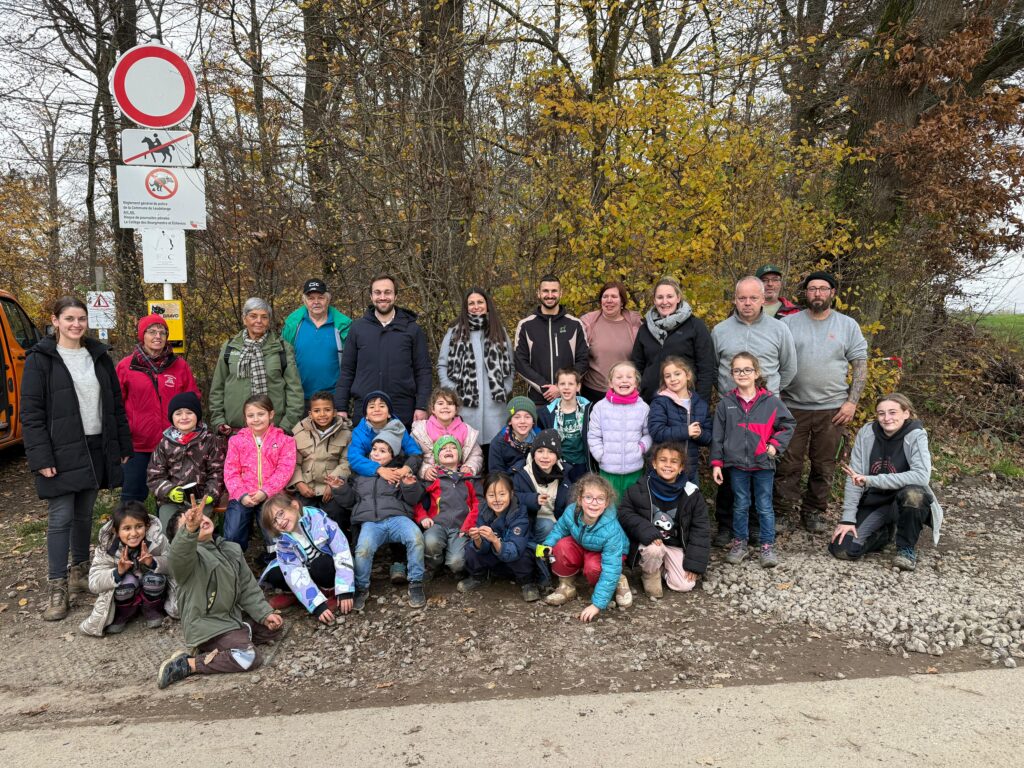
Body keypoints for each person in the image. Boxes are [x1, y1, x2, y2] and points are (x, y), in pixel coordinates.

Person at [20, 296, 133, 621]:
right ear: (55, 321)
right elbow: (31, 414)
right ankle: (57, 586)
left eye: (81, 319)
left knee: (84, 514)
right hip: (60, 449)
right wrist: (40, 456)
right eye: (69, 318)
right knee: (61, 517)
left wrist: (121, 445)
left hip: (96, 445)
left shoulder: (98, 356)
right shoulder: (40, 359)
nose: (76, 324)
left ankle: (80, 572)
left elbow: (115, 405)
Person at [157, 497, 283, 689]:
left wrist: (265, 614)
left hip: (231, 617)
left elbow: (247, 587)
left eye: (201, 517)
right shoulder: (187, 560)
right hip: (208, 625)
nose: (200, 521)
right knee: (250, 657)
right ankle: (189, 664)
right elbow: (178, 555)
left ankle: (235, 637)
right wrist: (189, 530)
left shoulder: (230, 548)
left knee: (274, 628)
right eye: (192, 522)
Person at [777, 271, 868, 533]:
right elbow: (774, 360)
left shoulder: (847, 325)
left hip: (832, 409)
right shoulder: (788, 324)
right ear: (805, 293)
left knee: (824, 464)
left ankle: (814, 512)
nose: (817, 293)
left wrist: (851, 402)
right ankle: (783, 513)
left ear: (832, 293)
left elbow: (860, 364)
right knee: (787, 464)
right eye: (812, 288)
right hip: (792, 407)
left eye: (823, 288)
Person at [710, 276, 797, 547]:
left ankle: (758, 527)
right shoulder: (721, 330)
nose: (747, 303)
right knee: (731, 470)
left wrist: (769, 395)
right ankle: (727, 526)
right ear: (735, 300)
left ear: (763, 299)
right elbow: (713, 368)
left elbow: (789, 368)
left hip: (764, 411)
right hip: (731, 408)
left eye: (753, 298)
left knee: (761, 470)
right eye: (742, 298)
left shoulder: (779, 330)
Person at [829, 394, 944, 571]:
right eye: (881, 413)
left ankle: (906, 549)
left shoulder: (916, 434)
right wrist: (848, 519)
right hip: (876, 502)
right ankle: (884, 534)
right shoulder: (867, 433)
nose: (886, 418)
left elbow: (921, 476)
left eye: (892, 412)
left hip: (904, 502)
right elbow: (854, 478)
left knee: (914, 495)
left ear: (906, 413)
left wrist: (870, 480)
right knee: (842, 549)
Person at [711, 352, 795, 569]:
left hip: (763, 463)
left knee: (764, 505)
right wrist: (717, 463)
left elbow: (788, 425)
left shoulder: (771, 402)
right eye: (737, 370)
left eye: (747, 369)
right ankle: (740, 543)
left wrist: (774, 445)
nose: (742, 374)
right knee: (740, 504)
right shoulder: (726, 404)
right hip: (736, 464)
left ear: (756, 373)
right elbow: (717, 436)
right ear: (732, 374)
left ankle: (767, 546)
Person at [115, 313, 200, 503]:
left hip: (173, 444)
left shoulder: (179, 366)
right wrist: (121, 439)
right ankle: (131, 523)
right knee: (132, 499)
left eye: (162, 332)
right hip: (137, 445)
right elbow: (115, 406)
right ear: (142, 335)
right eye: (152, 331)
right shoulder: (126, 366)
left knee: (174, 498)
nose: (158, 336)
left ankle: (168, 522)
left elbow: (193, 399)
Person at [335, 274, 432, 428]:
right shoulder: (358, 329)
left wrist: (421, 406)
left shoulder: (412, 329)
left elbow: (423, 371)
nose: (382, 297)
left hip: (402, 410)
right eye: (377, 292)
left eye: (387, 292)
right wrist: (341, 407)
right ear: (371, 296)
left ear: (396, 296)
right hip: (365, 409)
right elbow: (347, 371)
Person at [618, 443, 711, 598]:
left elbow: (700, 528)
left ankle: (662, 569)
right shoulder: (640, 488)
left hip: (675, 545)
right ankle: (649, 574)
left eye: (674, 461)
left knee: (685, 585)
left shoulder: (692, 493)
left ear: (681, 467)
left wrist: (694, 564)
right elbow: (625, 513)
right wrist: (647, 531)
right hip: (651, 544)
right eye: (663, 460)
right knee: (654, 550)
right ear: (654, 463)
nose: (668, 465)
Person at [350, 432, 427, 610]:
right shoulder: (360, 475)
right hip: (371, 522)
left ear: (392, 456)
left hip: (397, 518)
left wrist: (410, 485)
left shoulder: (398, 472)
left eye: (383, 451)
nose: (376, 453)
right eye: (374, 449)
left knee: (416, 538)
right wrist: (339, 489)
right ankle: (361, 587)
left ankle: (416, 583)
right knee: (363, 549)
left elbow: (413, 499)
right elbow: (349, 501)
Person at [539, 474, 632, 621]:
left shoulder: (611, 530)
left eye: (600, 498)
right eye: (588, 497)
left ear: (607, 503)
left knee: (594, 567)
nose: (594, 503)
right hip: (584, 544)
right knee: (561, 546)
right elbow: (559, 529)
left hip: (609, 555)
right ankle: (566, 586)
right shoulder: (571, 512)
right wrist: (548, 544)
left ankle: (618, 579)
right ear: (579, 499)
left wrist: (597, 605)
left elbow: (610, 566)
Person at [79, 501, 177, 636]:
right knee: (126, 582)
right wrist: (118, 572)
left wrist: (153, 562)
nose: (134, 533)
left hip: (151, 588)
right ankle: (125, 613)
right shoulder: (107, 548)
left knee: (154, 579)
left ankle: (151, 609)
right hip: (127, 590)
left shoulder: (158, 540)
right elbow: (94, 583)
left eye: (139, 526)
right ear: (116, 531)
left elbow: (174, 565)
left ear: (147, 526)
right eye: (127, 528)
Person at [437, 288, 515, 457]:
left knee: (494, 460)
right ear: (465, 307)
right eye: (471, 303)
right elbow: (442, 365)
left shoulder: (499, 331)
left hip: (495, 410)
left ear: (487, 305)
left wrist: (506, 388)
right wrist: (452, 390)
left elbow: (510, 365)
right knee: (468, 460)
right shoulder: (454, 333)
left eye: (480, 302)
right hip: (465, 410)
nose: (476, 306)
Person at [209, 297, 304, 434]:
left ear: (269, 321)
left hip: (275, 430)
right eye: (253, 316)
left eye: (264, 317)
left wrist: (286, 426)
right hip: (235, 431)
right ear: (244, 319)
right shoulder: (230, 347)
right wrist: (219, 422)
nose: (259, 321)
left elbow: (294, 391)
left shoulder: (282, 348)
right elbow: (217, 388)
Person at [222, 395, 297, 561]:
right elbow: (230, 471)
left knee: (276, 532)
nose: (256, 419)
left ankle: (276, 561)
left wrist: (265, 491)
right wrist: (241, 494)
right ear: (245, 418)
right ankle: (234, 563)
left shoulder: (285, 441)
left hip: (272, 494)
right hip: (242, 495)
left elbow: (285, 470)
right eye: (251, 415)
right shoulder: (236, 441)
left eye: (261, 414)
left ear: (271, 414)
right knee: (233, 530)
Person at [259, 494, 355, 621]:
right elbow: (294, 573)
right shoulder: (283, 541)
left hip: (326, 567)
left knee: (321, 565)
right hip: (306, 570)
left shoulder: (318, 519)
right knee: (275, 573)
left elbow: (341, 551)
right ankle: (295, 594)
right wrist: (317, 606)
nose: (280, 522)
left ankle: (331, 591)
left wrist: (345, 590)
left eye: (281, 514)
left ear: (294, 506)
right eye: (274, 522)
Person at [147, 391, 225, 529]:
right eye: (178, 414)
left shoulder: (210, 440)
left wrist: (211, 494)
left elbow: (217, 471)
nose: (184, 417)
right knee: (170, 530)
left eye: (189, 413)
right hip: (171, 501)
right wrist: (169, 491)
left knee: (196, 528)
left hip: (202, 499)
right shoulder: (165, 443)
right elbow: (154, 475)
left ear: (197, 415)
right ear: (172, 417)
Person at [631, 277, 716, 402]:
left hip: (685, 401)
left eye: (669, 296)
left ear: (678, 298)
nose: (665, 302)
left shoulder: (695, 326)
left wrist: (701, 403)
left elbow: (706, 368)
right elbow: (636, 366)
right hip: (650, 401)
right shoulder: (645, 328)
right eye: (660, 297)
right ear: (654, 300)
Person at [459, 473, 539, 601]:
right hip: (495, 560)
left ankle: (527, 582)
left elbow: (515, 549)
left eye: (502, 494)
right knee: (471, 548)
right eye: (491, 495)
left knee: (524, 554)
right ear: (485, 496)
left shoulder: (520, 513)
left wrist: (495, 540)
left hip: (514, 557)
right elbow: (482, 548)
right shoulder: (483, 510)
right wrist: (478, 539)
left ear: (511, 494)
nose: (497, 499)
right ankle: (479, 577)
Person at [513, 274, 589, 406]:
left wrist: (561, 387)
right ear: (538, 293)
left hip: (569, 399)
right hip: (538, 400)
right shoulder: (526, 325)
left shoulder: (575, 324)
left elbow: (584, 360)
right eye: (545, 291)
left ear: (561, 293)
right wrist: (545, 387)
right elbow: (520, 363)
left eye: (554, 291)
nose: (550, 295)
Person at [414, 436, 480, 578]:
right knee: (430, 543)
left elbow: (477, 504)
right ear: (437, 457)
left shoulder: (468, 478)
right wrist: (423, 517)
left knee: (457, 563)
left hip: (461, 528)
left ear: (460, 456)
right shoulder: (433, 477)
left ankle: (454, 568)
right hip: (437, 524)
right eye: (443, 449)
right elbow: (416, 500)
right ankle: (434, 565)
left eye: (453, 447)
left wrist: (468, 526)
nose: (448, 450)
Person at [289, 390, 353, 534]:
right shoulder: (299, 433)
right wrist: (299, 484)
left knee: (337, 514)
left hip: (331, 488)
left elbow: (346, 462)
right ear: (310, 414)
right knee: (300, 515)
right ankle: (307, 545)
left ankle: (338, 544)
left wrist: (333, 483)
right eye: (317, 411)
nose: (322, 414)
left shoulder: (346, 434)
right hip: (306, 487)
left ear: (335, 412)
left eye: (327, 410)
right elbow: (293, 462)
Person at [281, 279, 352, 406]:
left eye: (321, 297)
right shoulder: (293, 325)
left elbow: (351, 364)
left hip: (333, 398)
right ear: (304, 301)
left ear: (328, 299)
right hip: (299, 398)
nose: (316, 302)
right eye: (311, 298)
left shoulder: (343, 326)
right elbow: (283, 360)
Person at [587, 361, 652, 499]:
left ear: (636, 383)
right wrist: (600, 455)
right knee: (610, 505)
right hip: (608, 471)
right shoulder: (600, 407)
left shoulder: (643, 408)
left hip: (634, 469)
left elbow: (648, 434)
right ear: (610, 383)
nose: (624, 380)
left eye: (629, 377)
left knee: (632, 505)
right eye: (619, 377)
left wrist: (641, 448)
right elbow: (593, 435)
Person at [647, 356, 712, 484]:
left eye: (677, 374)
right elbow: (656, 432)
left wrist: (700, 434)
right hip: (664, 470)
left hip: (689, 471)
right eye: (668, 376)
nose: (673, 379)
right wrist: (686, 431)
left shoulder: (701, 405)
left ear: (688, 375)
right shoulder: (660, 402)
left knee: (690, 497)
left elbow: (709, 437)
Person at [579, 281, 642, 402]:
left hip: (625, 390)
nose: (609, 300)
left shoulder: (634, 324)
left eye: (614, 296)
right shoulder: (588, 323)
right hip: (593, 392)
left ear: (622, 301)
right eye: (605, 296)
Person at [511, 429, 572, 545]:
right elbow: (513, 497)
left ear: (557, 456)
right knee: (547, 526)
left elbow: (569, 504)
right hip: (530, 523)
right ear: (533, 454)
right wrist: (533, 499)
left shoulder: (564, 474)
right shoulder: (522, 474)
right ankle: (536, 550)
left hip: (557, 522)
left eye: (551, 452)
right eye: (540, 451)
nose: (545, 456)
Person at [410, 387, 484, 480]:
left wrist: (469, 466)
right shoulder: (421, 430)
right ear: (433, 409)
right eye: (440, 403)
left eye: (450, 403)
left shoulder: (465, 430)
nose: (445, 407)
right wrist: (425, 470)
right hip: (432, 478)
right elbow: (413, 456)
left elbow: (475, 455)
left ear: (456, 409)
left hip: (459, 477)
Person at [538, 368, 594, 482]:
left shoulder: (590, 411)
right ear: (557, 387)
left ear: (578, 387)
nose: (566, 387)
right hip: (559, 465)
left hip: (582, 464)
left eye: (571, 384)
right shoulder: (546, 413)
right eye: (562, 384)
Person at [488, 396, 541, 475]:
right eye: (517, 417)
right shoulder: (498, 443)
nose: (522, 421)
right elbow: (496, 474)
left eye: (527, 417)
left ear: (533, 421)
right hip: (509, 481)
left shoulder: (541, 440)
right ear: (510, 421)